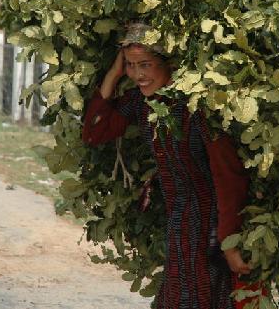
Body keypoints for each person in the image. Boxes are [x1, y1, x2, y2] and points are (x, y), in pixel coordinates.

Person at [82, 23, 253, 309]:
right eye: (131, 65)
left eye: (146, 65)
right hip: (179, 220)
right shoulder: (141, 103)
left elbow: (228, 177)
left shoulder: (196, 106)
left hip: (209, 223)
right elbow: (94, 133)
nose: (138, 75)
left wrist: (229, 242)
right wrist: (113, 74)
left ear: (168, 63)